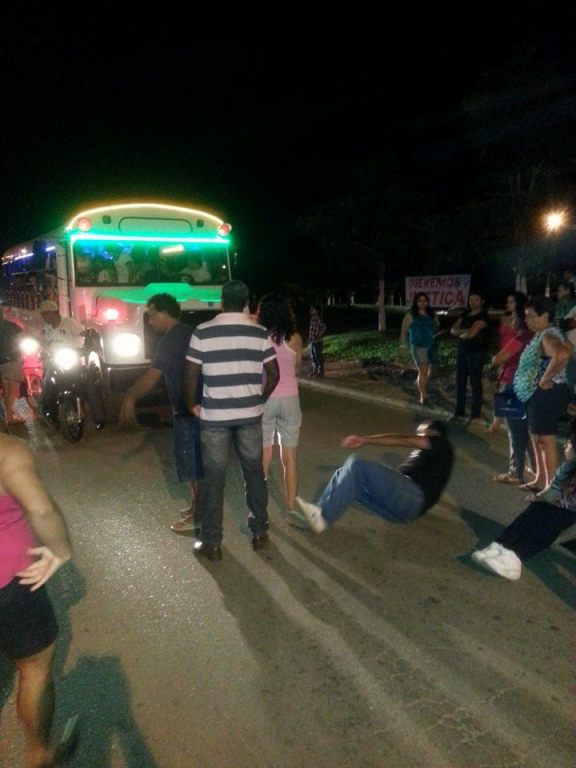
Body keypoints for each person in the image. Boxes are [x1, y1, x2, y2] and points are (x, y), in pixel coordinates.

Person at [184, 280, 280, 560]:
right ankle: (260, 531)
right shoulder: (260, 332)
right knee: (254, 474)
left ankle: (212, 543)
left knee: (213, 480)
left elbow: (190, 374)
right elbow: (274, 374)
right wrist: (259, 400)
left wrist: (192, 405)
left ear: (222, 302)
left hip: (214, 418)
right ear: (247, 302)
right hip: (250, 416)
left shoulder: (203, 332)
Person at [0, 432, 75, 767]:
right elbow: (42, 510)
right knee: (33, 670)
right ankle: (38, 754)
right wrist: (61, 551)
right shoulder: (7, 451)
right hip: (11, 585)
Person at [118, 293, 203, 533]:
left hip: (188, 411)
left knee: (192, 466)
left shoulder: (171, 340)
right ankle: (198, 507)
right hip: (197, 407)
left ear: (165, 313)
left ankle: (201, 515)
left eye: (152, 315)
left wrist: (131, 396)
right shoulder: (189, 331)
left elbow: (152, 376)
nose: (150, 321)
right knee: (194, 463)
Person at [291, 419, 454, 534]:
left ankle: (321, 516)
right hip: (401, 512)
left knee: (357, 464)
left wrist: (366, 440)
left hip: (412, 498)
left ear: (433, 433)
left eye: (421, 433)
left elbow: (401, 440)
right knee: (346, 474)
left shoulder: (442, 444)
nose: (418, 436)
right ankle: (319, 516)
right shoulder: (434, 461)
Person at [471, 424, 576, 581]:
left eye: (570, 443)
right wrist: (540, 497)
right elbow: (555, 488)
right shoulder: (570, 466)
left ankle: (516, 556)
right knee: (540, 508)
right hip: (567, 511)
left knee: (553, 518)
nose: (565, 445)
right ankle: (501, 546)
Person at [513, 295, 572, 492]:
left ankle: (552, 489)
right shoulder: (547, 334)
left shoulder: (548, 335)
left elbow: (563, 354)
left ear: (545, 315)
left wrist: (545, 379)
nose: (527, 321)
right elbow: (569, 350)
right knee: (538, 438)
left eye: (531, 317)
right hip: (539, 396)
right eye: (526, 317)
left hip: (546, 395)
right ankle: (540, 480)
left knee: (546, 440)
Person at [257, 293, 303, 514]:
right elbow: (296, 369)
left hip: (266, 398)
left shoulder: (260, 337)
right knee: (289, 457)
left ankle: (260, 508)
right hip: (290, 399)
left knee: (264, 457)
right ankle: (291, 508)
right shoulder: (295, 337)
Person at [489, 291, 534, 485]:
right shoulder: (529, 333)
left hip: (512, 383)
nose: (508, 304)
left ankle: (515, 473)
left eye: (512, 302)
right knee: (525, 431)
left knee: (515, 431)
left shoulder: (523, 335)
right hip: (519, 383)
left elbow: (499, 358)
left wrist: (496, 359)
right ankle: (533, 470)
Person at [449, 292, 491, 424]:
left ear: (482, 301)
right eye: (471, 299)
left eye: (476, 299)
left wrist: (462, 332)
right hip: (462, 351)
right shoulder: (466, 313)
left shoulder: (484, 315)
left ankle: (475, 413)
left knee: (475, 382)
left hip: (476, 352)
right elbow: (453, 329)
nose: (473, 302)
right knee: (460, 381)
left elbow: (471, 334)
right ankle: (459, 411)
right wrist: (463, 332)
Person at [399, 292, 440, 405]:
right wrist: (402, 346)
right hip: (418, 346)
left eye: (425, 300)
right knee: (423, 371)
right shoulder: (411, 314)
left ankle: (419, 382)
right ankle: (423, 396)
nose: (423, 303)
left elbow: (437, 324)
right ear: (415, 302)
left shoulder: (431, 313)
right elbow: (404, 331)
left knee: (429, 371)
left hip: (432, 345)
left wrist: (436, 328)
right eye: (420, 300)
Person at [0, 314, 25, 425]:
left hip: (2, 361)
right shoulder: (10, 325)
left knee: (6, 389)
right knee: (12, 389)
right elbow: (22, 334)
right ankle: (10, 416)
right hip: (12, 359)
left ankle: (7, 413)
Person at [554, 281, 576, 395]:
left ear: (568, 291)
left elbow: (562, 325)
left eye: (560, 290)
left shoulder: (563, 305)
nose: (557, 293)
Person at [307, 302, 326, 377]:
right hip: (313, 341)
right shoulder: (312, 319)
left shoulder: (317, 319)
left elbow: (324, 327)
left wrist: (319, 335)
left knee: (318, 356)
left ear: (317, 311)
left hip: (317, 341)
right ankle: (315, 370)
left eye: (312, 309)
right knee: (313, 356)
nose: (311, 310)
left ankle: (320, 372)